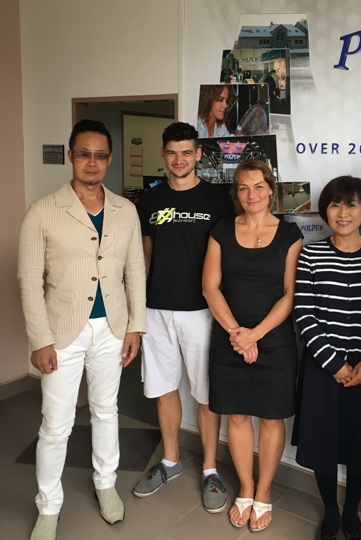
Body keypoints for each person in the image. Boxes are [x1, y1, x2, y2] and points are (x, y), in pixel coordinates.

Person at [18, 119, 147, 540]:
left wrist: (135, 327)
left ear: (109, 159)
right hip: (61, 333)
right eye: (84, 154)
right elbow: (29, 279)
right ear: (71, 155)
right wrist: (40, 340)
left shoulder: (125, 210)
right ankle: (48, 506)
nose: (92, 162)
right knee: (56, 424)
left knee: (106, 410)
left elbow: (134, 271)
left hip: (112, 329)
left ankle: (106, 484)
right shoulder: (42, 211)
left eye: (100, 155)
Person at [133, 122, 235, 513]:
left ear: (198, 155)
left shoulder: (219, 200)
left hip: (202, 311)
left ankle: (209, 469)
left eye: (187, 152)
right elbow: (144, 255)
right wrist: (136, 307)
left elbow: (228, 256)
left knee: (206, 393)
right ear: (164, 155)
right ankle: (171, 460)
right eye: (172, 153)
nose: (179, 160)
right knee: (163, 387)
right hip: (156, 309)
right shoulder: (149, 200)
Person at [202, 159, 303, 533]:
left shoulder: (290, 234)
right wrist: (237, 335)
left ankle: (264, 491)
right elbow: (210, 287)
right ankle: (245, 488)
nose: (251, 194)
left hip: (274, 341)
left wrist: (254, 335)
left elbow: (290, 295)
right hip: (229, 338)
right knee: (238, 415)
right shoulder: (221, 230)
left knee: (272, 418)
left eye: (259, 186)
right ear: (236, 192)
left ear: (271, 190)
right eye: (243, 187)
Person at [292, 176, 361, 540]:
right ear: (325, 210)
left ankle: (352, 512)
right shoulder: (311, 254)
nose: (343, 212)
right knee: (322, 443)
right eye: (335, 204)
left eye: (351, 204)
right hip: (323, 367)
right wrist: (333, 363)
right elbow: (304, 313)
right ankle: (331, 512)